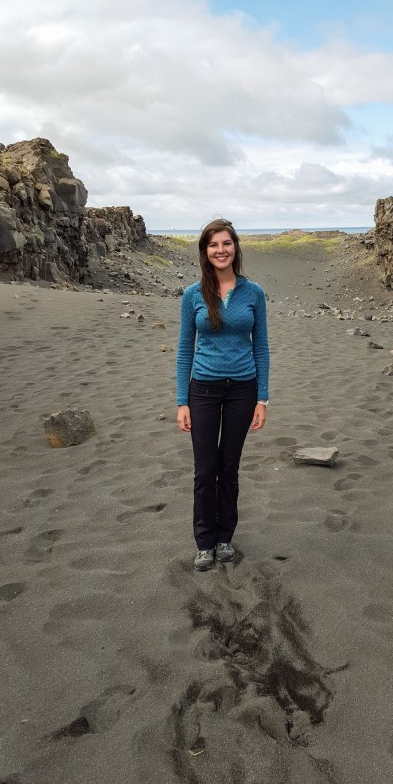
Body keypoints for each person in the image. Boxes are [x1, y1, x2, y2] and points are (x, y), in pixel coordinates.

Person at [176, 218, 270, 571]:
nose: (220, 250)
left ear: (235, 247)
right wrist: (182, 402)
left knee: (229, 468)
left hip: (242, 391)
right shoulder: (192, 295)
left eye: (226, 243)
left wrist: (262, 398)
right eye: (213, 245)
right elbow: (185, 350)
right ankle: (204, 542)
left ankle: (224, 538)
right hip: (202, 390)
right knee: (205, 470)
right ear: (205, 252)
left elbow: (261, 347)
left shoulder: (254, 293)